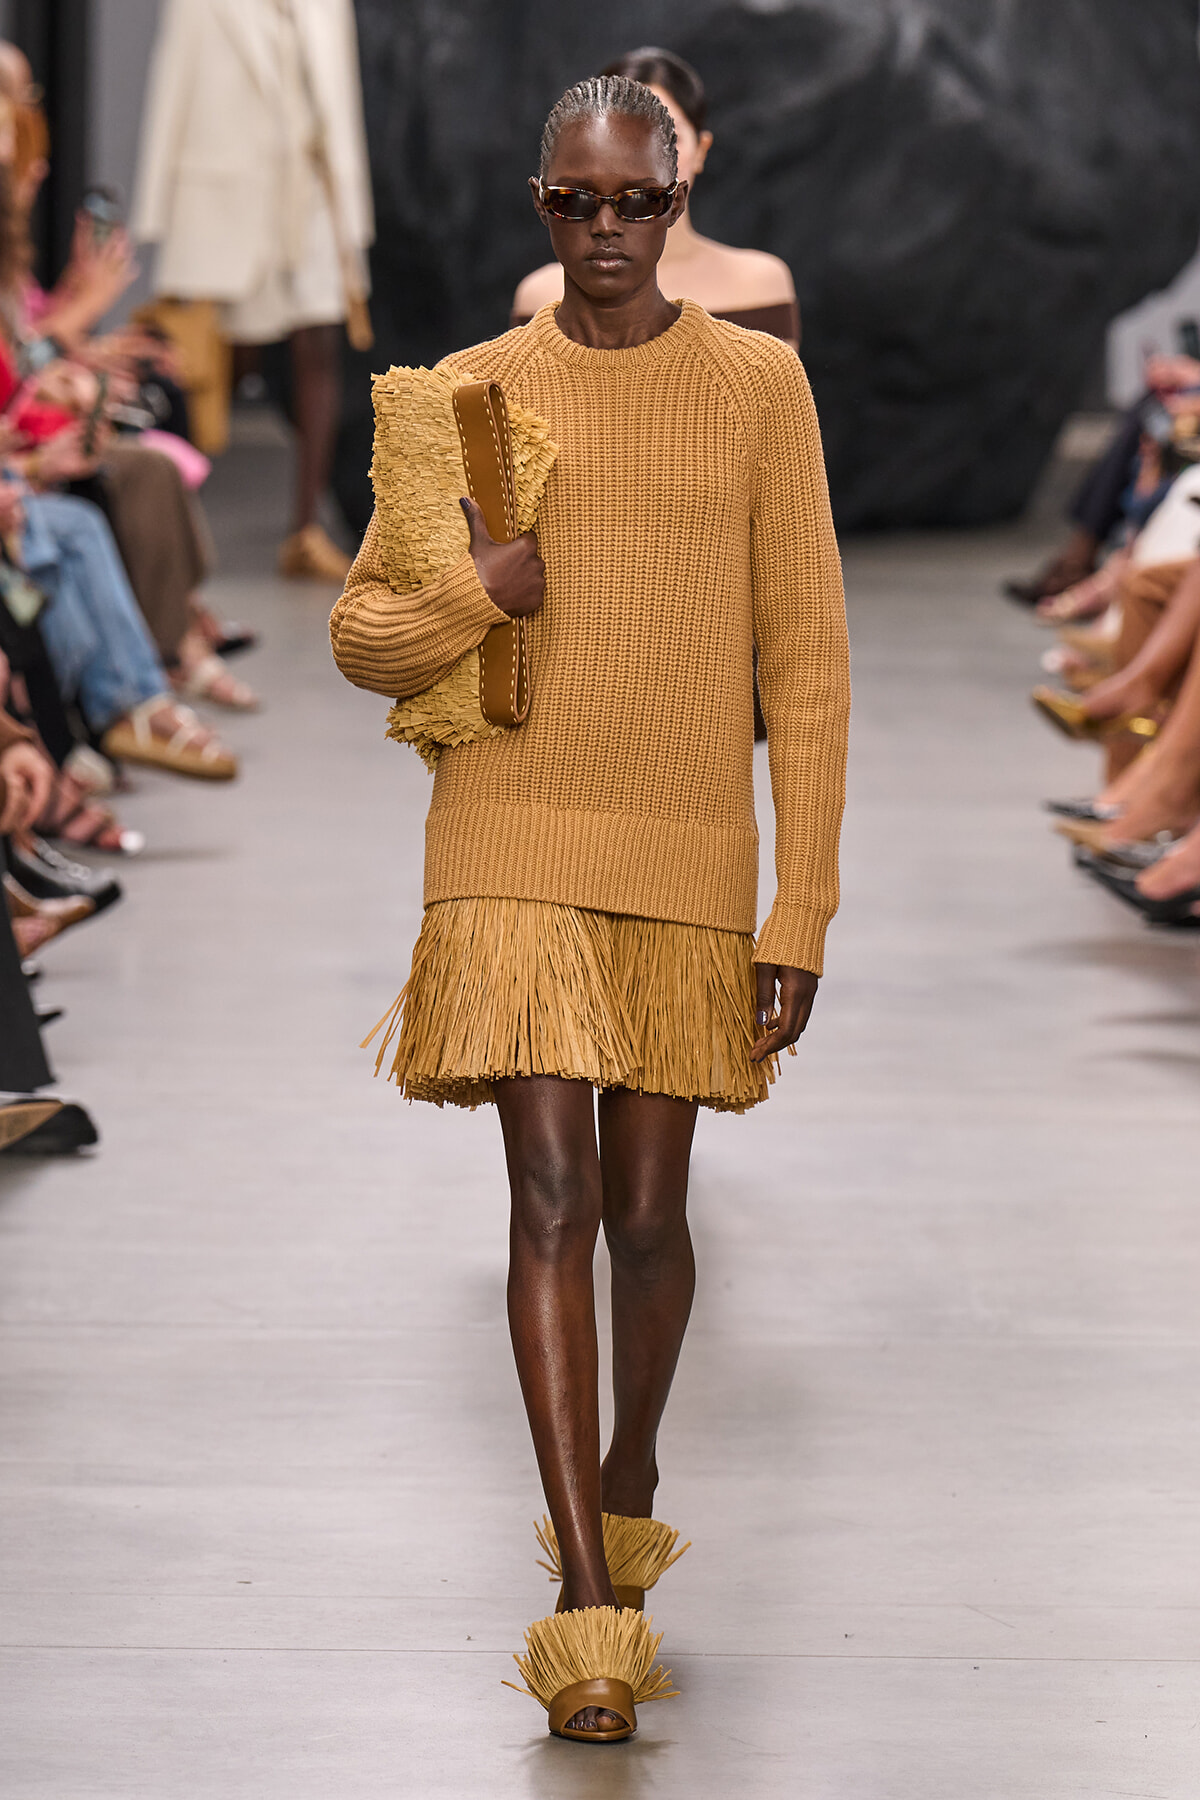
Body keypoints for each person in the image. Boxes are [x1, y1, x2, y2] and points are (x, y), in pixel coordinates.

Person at [332, 77, 849, 1741]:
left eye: (636, 202)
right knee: (549, 1197)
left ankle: (629, 1464)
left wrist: (803, 910)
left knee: (645, 1216)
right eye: (578, 204)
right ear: (539, 206)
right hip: (508, 829)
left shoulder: (759, 389)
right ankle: (586, 1592)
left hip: (686, 838)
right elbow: (363, 635)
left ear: (679, 192)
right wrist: (470, 593)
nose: (608, 232)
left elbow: (811, 666)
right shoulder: (470, 397)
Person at [131, 0, 375, 583]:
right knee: (203, 365)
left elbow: (343, 107)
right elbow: (173, 89)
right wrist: (155, 212)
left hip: (314, 200)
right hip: (228, 197)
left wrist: (353, 215)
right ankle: (177, 523)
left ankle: (304, 528)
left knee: (320, 346)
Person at [512, 48, 799, 347]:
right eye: (616, 137)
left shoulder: (757, 282)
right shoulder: (540, 295)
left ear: (702, 149)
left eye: (668, 138)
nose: (635, 157)